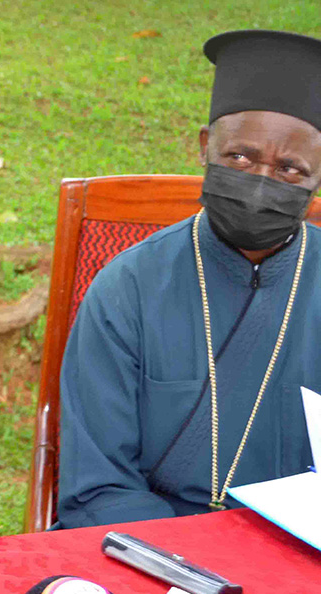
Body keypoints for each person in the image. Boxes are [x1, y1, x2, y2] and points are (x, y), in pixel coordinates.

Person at [58, 30, 321, 528]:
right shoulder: (128, 288)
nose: (260, 182)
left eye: (289, 168)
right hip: (152, 547)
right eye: (240, 157)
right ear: (205, 145)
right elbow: (96, 488)